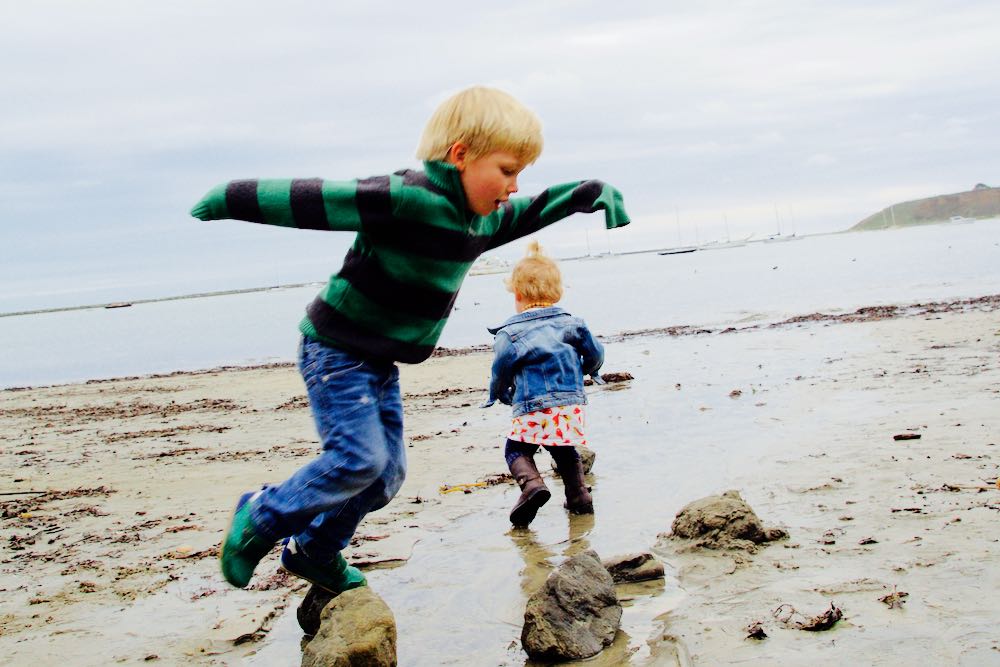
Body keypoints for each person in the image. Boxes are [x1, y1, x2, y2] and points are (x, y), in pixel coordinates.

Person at [189, 85, 630, 594]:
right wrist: (230, 197)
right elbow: (317, 198)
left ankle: (315, 551)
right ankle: (261, 516)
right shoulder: (406, 198)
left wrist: (587, 192)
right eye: (507, 170)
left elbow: (533, 209)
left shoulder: (481, 221)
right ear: (461, 155)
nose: (512, 186)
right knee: (358, 460)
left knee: (385, 477)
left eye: (519, 175)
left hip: (378, 363)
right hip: (335, 349)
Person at [483, 241, 604, 527]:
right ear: (557, 292)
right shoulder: (573, 324)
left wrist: (497, 393)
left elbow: (500, 369)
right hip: (570, 405)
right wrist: (587, 371)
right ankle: (579, 497)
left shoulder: (510, 333)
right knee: (563, 448)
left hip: (531, 405)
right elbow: (596, 353)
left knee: (517, 450)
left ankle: (532, 485)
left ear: (519, 294)